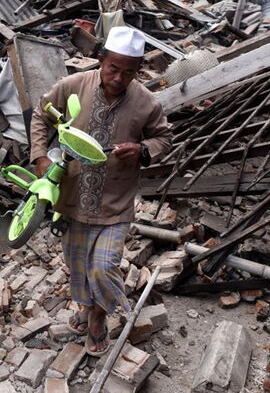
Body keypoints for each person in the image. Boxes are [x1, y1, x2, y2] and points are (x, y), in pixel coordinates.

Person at [29, 26, 172, 356]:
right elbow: (41, 113)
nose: (119, 78)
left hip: (115, 203)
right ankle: (86, 310)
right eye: (113, 68)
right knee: (77, 264)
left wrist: (142, 149)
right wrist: (39, 155)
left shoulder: (147, 104)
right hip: (71, 199)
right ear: (101, 59)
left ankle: (97, 319)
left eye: (129, 72)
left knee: (103, 267)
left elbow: (164, 139)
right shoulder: (74, 86)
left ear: (138, 71)